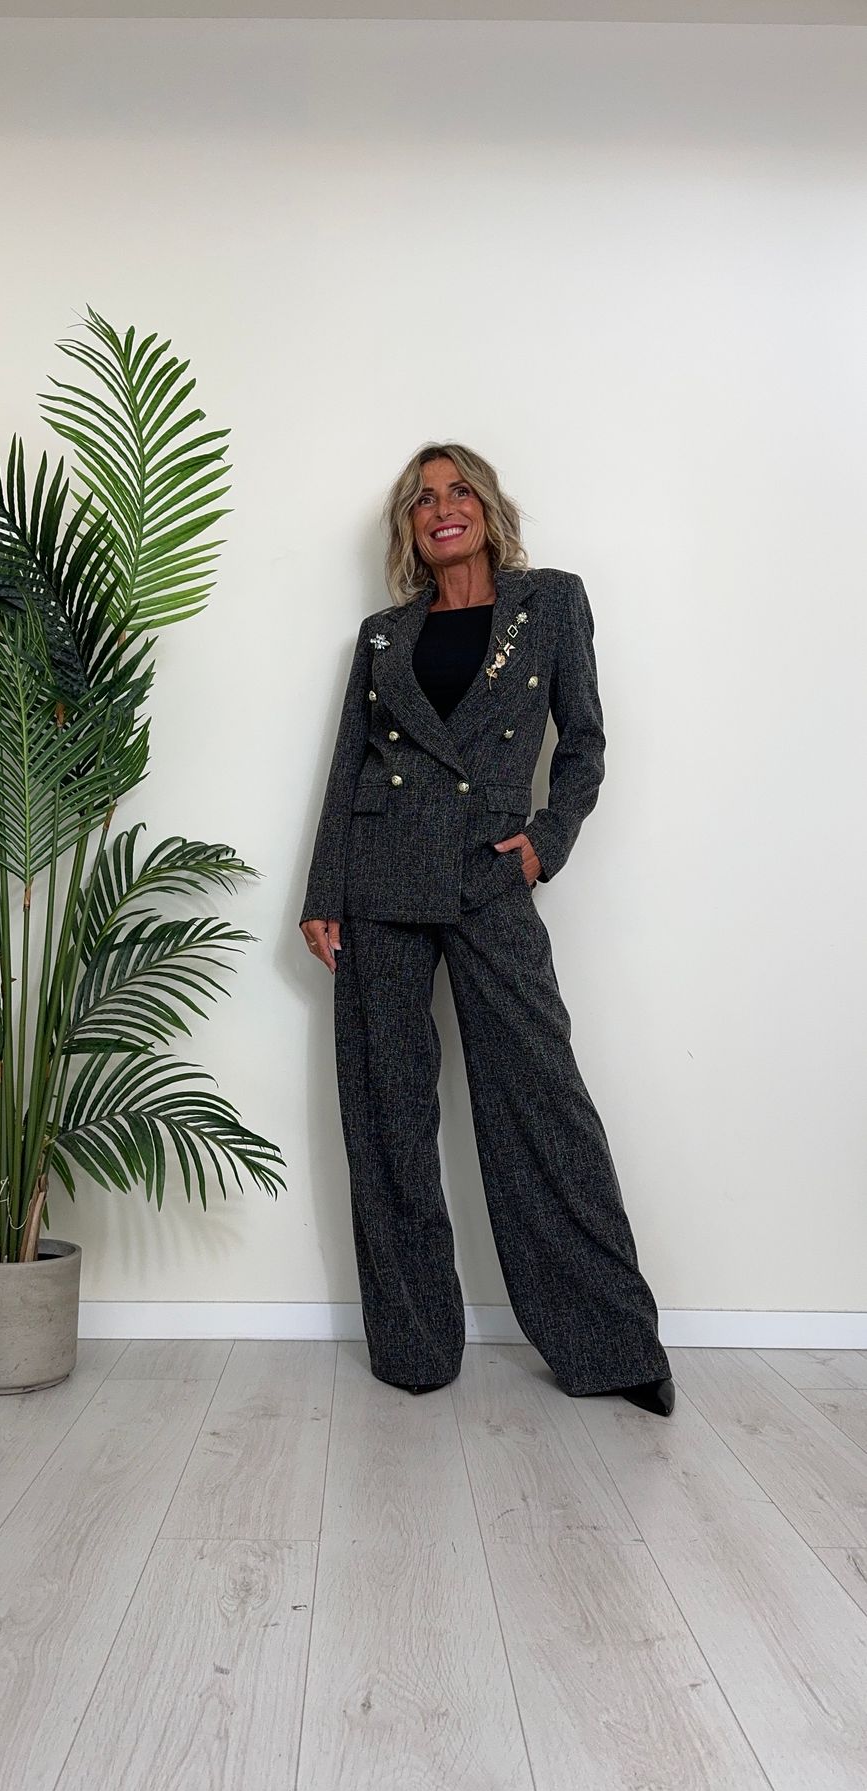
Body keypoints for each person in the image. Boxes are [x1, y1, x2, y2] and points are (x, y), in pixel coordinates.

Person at [299, 442, 674, 1417]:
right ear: (408, 527)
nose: (440, 508)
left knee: (541, 1106)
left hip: (487, 874)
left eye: (457, 490)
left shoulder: (548, 603)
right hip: (380, 882)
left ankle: (611, 1348)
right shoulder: (382, 636)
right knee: (386, 1116)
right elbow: (348, 767)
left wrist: (543, 844)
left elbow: (583, 742)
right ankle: (414, 1348)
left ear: (486, 506)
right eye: (421, 499)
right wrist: (323, 893)